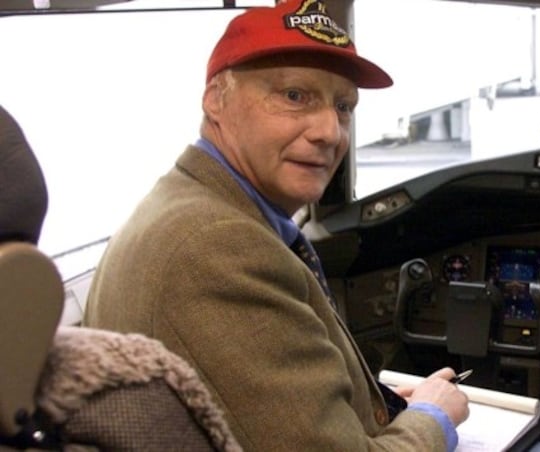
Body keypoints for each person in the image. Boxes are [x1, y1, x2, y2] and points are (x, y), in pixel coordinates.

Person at [83, 0, 470, 451]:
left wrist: (374, 406)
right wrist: (433, 417)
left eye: (343, 106)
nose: (329, 131)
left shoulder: (184, 203)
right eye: (294, 96)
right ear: (215, 101)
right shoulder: (219, 247)